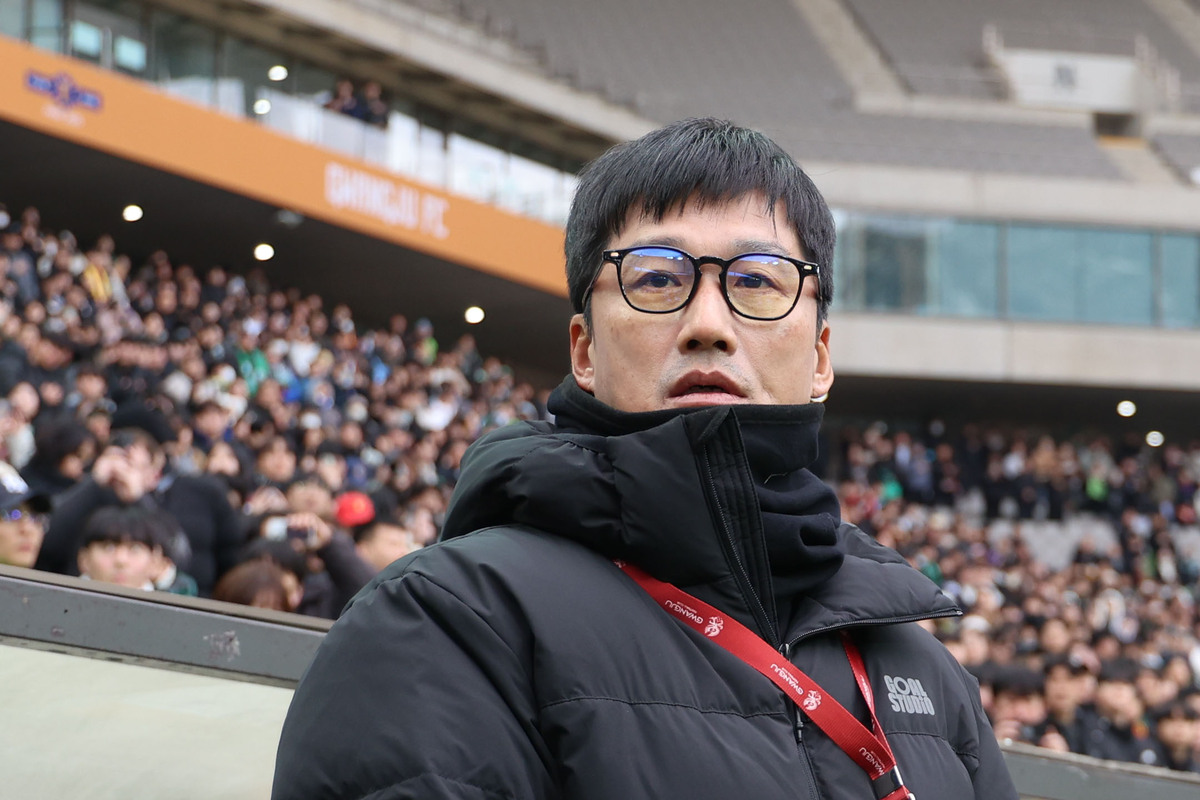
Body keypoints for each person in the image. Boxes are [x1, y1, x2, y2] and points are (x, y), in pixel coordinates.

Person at [273, 118, 1017, 799]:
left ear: (821, 358)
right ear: (585, 351)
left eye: (756, 279)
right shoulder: (447, 620)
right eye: (658, 278)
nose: (707, 324)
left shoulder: (925, 673)